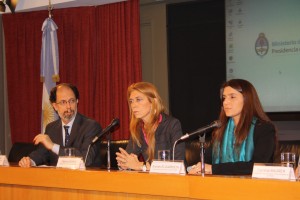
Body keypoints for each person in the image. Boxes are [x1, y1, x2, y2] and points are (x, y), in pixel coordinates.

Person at [188, 79, 277, 175]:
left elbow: (258, 166)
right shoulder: (221, 129)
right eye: (224, 98)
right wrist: (198, 167)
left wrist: (214, 169)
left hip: (253, 187)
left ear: (247, 99)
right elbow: (208, 161)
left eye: (232, 97)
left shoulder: (264, 128)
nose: (225, 102)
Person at [18, 83, 102, 167]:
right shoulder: (51, 128)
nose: (68, 106)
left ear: (77, 101)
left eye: (72, 101)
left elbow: (86, 159)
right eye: (63, 102)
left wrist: (53, 146)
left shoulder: (91, 126)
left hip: (84, 179)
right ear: (55, 106)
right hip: (58, 178)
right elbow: (41, 154)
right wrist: (29, 161)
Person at [116, 82, 185, 171]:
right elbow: (128, 159)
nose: (133, 105)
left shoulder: (172, 125)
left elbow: (178, 164)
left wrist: (141, 166)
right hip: (151, 181)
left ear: (153, 102)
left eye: (139, 99)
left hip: (174, 181)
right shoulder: (138, 129)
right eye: (131, 101)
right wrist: (124, 164)